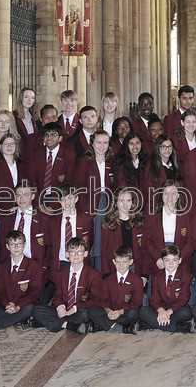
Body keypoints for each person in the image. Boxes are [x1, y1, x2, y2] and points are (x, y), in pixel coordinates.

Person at [32, 236, 101, 334]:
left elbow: (95, 299)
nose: (76, 255)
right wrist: (60, 307)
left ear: (85, 254)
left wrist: (75, 308)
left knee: (85, 314)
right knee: (36, 310)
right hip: (64, 309)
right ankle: (69, 325)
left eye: (80, 252)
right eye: (72, 252)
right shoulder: (60, 273)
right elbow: (57, 295)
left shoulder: (94, 274)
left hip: (79, 309)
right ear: (66, 254)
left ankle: (50, 322)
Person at [0, 230, 43, 329]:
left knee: (30, 309)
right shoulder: (1, 267)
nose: (16, 247)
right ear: (7, 246)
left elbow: (34, 292)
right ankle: (20, 319)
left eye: (19, 244)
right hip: (6, 306)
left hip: (24, 305)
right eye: (12, 244)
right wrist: (8, 305)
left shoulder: (35, 266)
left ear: (24, 245)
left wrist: (18, 306)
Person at [75, 130, 117, 269]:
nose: (102, 146)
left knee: (106, 239)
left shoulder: (111, 161)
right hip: (90, 205)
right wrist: (83, 208)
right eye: (99, 142)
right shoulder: (84, 161)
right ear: (92, 143)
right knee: (94, 240)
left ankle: (103, 271)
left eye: (105, 143)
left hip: (108, 204)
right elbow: (78, 187)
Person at [0, 133, 31, 257]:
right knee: (2, 247)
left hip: (20, 210)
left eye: (12, 144)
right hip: (1, 213)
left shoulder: (22, 165)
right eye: (6, 144)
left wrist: (21, 205)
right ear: (0, 147)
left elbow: (27, 186)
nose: (9, 146)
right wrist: (6, 208)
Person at [143, 180, 195, 280]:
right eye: (166, 193)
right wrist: (159, 258)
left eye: (173, 193)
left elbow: (191, 240)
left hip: (180, 260)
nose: (169, 197)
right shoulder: (152, 214)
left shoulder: (186, 215)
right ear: (161, 195)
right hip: (158, 260)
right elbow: (146, 240)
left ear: (178, 195)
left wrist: (178, 259)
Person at [89, 245, 145, 334]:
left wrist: (120, 312)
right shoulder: (107, 280)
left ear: (131, 262)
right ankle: (118, 327)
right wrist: (108, 311)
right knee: (92, 310)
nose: (121, 265)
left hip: (124, 313)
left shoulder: (137, 280)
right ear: (113, 262)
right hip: (110, 312)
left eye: (124, 262)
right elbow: (103, 300)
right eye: (118, 262)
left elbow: (137, 302)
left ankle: (102, 324)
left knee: (133, 313)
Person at [138, 245, 195, 333]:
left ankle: (154, 323)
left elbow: (184, 298)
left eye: (174, 260)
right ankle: (176, 327)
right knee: (143, 311)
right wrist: (161, 310)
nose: (171, 263)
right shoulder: (156, 276)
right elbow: (154, 298)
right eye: (167, 260)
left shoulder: (186, 276)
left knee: (186, 312)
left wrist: (168, 312)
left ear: (180, 260)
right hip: (161, 309)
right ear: (162, 261)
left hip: (176, 310)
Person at [0, 184, 51, 271]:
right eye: (18, 195)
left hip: (35, 267)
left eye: (26, 195)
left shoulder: (43, 219)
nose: (22, 199)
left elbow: (49, 247)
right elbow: (2, 245)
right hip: (10, 267)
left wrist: (43, 266)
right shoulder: (6, 219)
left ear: (33, 196)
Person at [99, 188, 146, 277]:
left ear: (132, 202)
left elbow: (144, 250)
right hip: (115, 268)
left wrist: (144, 275)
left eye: (128, 200)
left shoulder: (140, 222)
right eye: (121, 201)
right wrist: (106, 273)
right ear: (116, 202)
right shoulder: (108, 223)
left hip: (135, 267)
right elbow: (104, 250)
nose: (125, 204)